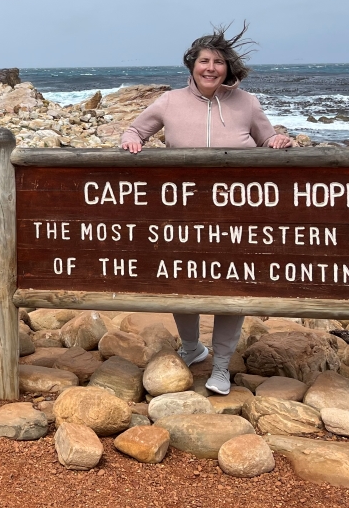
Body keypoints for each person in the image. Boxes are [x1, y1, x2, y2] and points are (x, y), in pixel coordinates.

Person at [120, 25, 292, 395]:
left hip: (237, 214)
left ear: (228, 68)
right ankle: (192, 348)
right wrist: (132, 142)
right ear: (191, 65)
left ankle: (221, 366)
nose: (210, 68)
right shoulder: (168, 101)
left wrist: (277, 140)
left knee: (232, 285)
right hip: (183, 212)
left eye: (218, 62)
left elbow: (268, 138)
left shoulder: (247, 102)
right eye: (204, 61)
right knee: (183, 283)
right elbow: (135, 130)